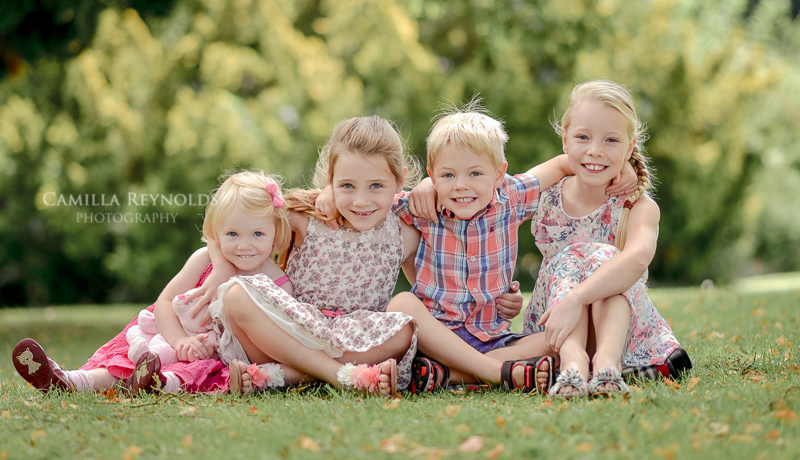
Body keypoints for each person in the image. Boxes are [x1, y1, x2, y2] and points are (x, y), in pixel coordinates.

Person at [318, 100, 637, 394]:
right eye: (447, 175)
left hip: (493, 336)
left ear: (499, 175)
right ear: (432, 176)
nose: (461, 185)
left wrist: (623, 166)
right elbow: (372, 193)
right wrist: (329, 192)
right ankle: (495, 372)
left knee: (562, 339)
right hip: (436, 337)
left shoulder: (511, 197)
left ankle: (452, 375)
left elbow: (562, 164)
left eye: (475, 173)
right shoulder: (422, 205)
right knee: (402, 304)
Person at [190, 116, 421, 397]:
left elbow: (425, 285)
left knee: (406, 330)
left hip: (355, 337)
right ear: (331, 181)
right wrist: (221, 269)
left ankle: (283, 375)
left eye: (375, 186)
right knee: (235, 295)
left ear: (399, 181)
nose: (361, 201)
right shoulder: (305, 217)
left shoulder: (405, 234)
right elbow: (222, 228)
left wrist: (428, 188)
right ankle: (341, 375)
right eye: (347, 186)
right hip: (289, 330)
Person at [11, 170, 292, 394]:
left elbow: (273, 342)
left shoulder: (279, 285)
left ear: (276, 230)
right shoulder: (204, 259)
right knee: (131, 360)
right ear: (217, 231)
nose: (244, 245)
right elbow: (165, 302)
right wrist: (180, 341)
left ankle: (155, 383)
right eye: (232, 234)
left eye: (257, 234)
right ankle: (71, 380)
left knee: (193, 372)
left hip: (215, 357)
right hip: (171, 336)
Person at [521, 80, 686, 398]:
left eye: (611, 140)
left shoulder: (638, 206)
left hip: (619, 333)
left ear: (629, 146)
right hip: (559, 328)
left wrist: (576, 299)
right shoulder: (546, 197)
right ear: (564, 139)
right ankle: (573, 364)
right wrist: (428, 185)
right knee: (570, 257)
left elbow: (637, 259)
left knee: (605, 258)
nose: (595, 150)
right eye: (582, 137)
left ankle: (607, 365)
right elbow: (497, 196)